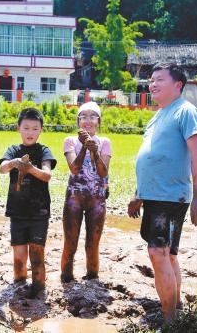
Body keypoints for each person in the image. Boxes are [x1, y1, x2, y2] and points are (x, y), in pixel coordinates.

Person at [128, 63, 197, 323]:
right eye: (151, 80)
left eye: (159, 79)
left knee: (157, 252)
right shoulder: (157, 116)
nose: (152, 84)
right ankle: (176, 307)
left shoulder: (185, 111)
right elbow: (150, 157)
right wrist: (138, 193)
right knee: (168, 253)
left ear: (178, 84)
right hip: (154, 195)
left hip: (171, 196)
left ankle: (170, 319)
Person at [0, 108, 56, 298]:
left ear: (41, 130)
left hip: (39, 212)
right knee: (19, 256)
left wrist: (30, 168)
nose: (30, 132)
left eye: (34, 128)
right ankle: (19, 286)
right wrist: (14, 163)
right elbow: (2, 168)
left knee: (37, 255)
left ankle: (39, 289)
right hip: (17, 212)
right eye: (26, 128)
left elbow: (47, 175)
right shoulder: (13, 150)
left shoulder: (44, 151)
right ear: (18, 129)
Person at [60, 102, 112, 283]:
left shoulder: (105, 142)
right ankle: (66, 277)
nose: (88, 121)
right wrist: (84, 147)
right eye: (83, 116)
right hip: (74, 197)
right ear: (78, 121)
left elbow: (103, 172)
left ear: (98, 121)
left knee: (93, 243)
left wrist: (95, 152)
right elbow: (74, 169)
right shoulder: (70, 141)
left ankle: (92, 277)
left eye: (92, 116)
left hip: (97, 200)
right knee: (71, 241)